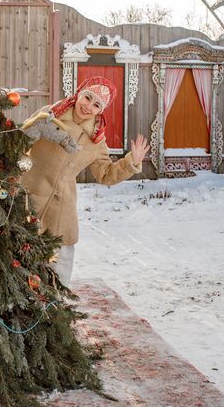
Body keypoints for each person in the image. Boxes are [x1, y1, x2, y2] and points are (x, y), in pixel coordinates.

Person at [21, 76, 149, 286]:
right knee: (18, 246)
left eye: (97, 104)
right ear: (79, 94)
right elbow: (21, 139)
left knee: (60, 254)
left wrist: (131, 162)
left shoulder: (96, 140)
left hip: (61, 204)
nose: (88, 106)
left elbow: (106, 174)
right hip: (28, 191)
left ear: (100, 111)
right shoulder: (50, 115)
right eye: (87, 97)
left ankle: (56, 297)